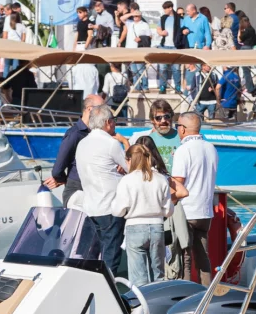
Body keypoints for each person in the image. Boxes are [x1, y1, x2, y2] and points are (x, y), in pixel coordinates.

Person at [74, 105, 128, 272]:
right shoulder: (111, 144)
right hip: (109, 207)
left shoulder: (82, 143)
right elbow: (131, 168)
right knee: (111, 256)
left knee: (95, 256)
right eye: (114, 121)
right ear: (107, 122)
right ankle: (108, 292)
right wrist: (126, 143)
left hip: (90, 207)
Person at [115, 139, 172, 285]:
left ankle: (141, 305)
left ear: (130, 160)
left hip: (135, 227)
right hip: (157, 227)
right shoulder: (161, 179)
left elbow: (118, 210)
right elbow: (169, 210)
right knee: (158, 274)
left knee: (138, 277)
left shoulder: (127, 180)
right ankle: (158, 303)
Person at [170, 112, 219, 284]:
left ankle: (185, 294)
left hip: (187, 209)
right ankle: (206, 293)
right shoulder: (210, 148)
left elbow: (178, 183)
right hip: (205, 211)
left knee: (185, 257)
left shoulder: (183, 150)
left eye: (178, 127)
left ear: (183, 129)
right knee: (202, 257)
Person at [45, 93, 105, 204]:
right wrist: (64, 180)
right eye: (102, 108)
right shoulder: (75, 134)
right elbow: (58, 169)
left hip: (92, 190)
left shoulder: (96, 133)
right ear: (89, 109)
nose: (105, 112)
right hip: (77, 191)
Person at [146, 99, 181, 165]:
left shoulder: (181, 138)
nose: (163, 121)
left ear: (172, 117)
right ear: (152, 120)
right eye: (158, 118)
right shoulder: (148, 141)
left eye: (166, 116)